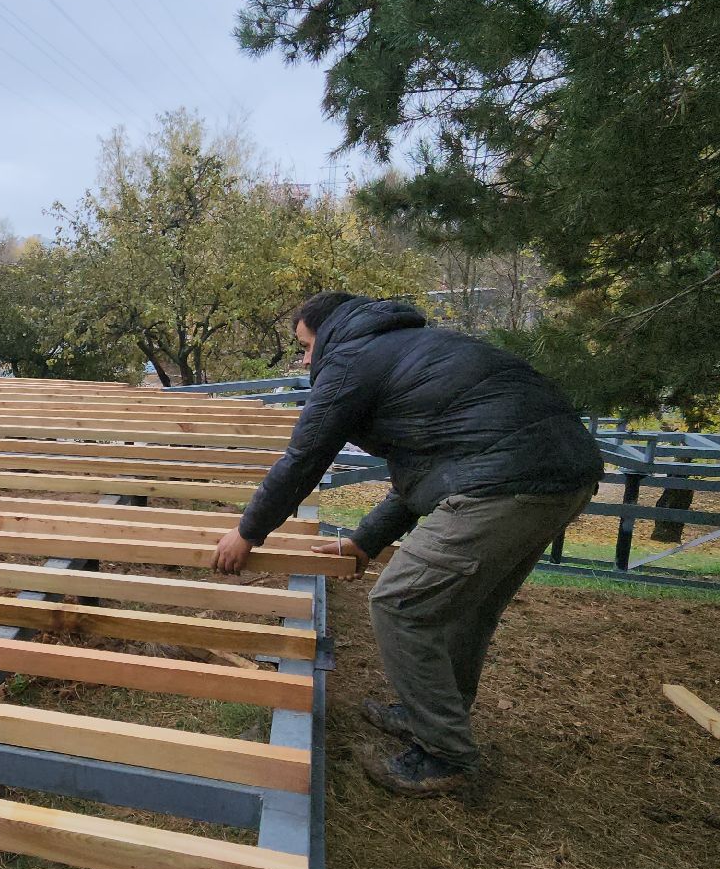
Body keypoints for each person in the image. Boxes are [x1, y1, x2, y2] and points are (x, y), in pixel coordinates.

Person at [212, 291, 602, 796]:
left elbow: (304, 457)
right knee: (467, 609)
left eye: (306, 346)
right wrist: (364, 542)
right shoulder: (409, 350)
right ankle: (431, 716)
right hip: (562, 476)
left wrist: (247, 533)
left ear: (328, 333)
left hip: (503, 484)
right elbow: (427, 473)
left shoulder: (351, 358)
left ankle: (445, 756)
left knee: (400, 603)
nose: (306, 360)